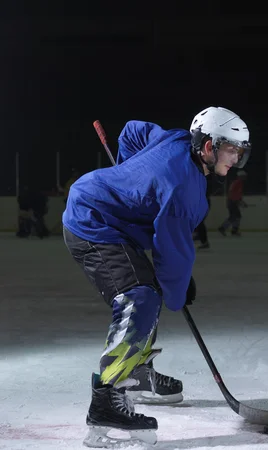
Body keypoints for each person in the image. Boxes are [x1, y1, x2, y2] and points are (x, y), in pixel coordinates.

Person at [62, 106, 251, 447]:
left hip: (108, 216)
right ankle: (106, 400)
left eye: (240, 151)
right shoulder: (184, 190)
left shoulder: (176, 139)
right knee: (140, 295)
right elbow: (172, 253)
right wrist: (177, 291)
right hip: (92, 221)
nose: (236, 158)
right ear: (208, 147)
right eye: (231, 150)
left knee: (149, 289)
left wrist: (130, 172)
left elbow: (133, 131)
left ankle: (135, 373)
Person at [218, 169, 247, 236]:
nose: (245, 178)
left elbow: (236, 194)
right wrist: (239, 202)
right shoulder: (238, 183)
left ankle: (231, 229)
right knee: (235, 216)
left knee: (235, 216)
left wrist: (240, 202)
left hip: (232, 202)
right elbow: (234, 194)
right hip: (232, 202)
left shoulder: (237, 183)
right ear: (240, 176)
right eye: (244, 176)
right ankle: (226, 228)